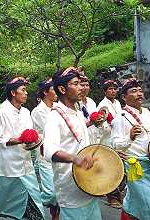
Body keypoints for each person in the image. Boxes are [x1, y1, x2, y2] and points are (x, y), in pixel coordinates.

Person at [43, 67, 101, 220]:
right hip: (70, 186)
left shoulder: (77, 112)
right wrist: (76, 158)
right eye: (76, 84)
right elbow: (50, 151)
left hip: (87, 181)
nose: (82, 87)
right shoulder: (54, 117)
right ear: (62, 89)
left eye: (81, 83)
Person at [111, 79, 150, 220]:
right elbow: (114, 145)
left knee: (136, 200)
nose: (139, 94)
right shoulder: (121, 117)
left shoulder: (147, 112)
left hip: (148, 162)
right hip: (134, 165)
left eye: (140, 90)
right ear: (124, 97)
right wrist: (129, 137)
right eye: (133, 91)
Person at [0, 76, 45, 220]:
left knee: (34, 196)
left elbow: (31, 133)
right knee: (3, 198)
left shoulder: (26, 112)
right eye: (23, 90)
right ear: (13, 93)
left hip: (26, 163)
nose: (26, 93)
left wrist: (35, 139)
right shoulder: (1, 113)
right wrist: (20, 139)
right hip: (9, 165)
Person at [31, 78, 59, 220]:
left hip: (61, 155)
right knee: (51, 193)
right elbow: (53, 131)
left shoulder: (58, 107)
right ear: (45, 92)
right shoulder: (38, 111)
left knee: (61, 191)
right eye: (53, 89)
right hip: (46, 155)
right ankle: (32, 202)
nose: (57, 92)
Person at [97, 79, 124, 208]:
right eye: (110, 89)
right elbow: (100, 126)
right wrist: (112, 124)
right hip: (107, 140)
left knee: (120, 168)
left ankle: (116, 194)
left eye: (115, 89)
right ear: (105, 91)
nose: (113, 91)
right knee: (110, 169)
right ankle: (112, 196)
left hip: (118, 139)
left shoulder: (118, 103)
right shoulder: (102, 106)